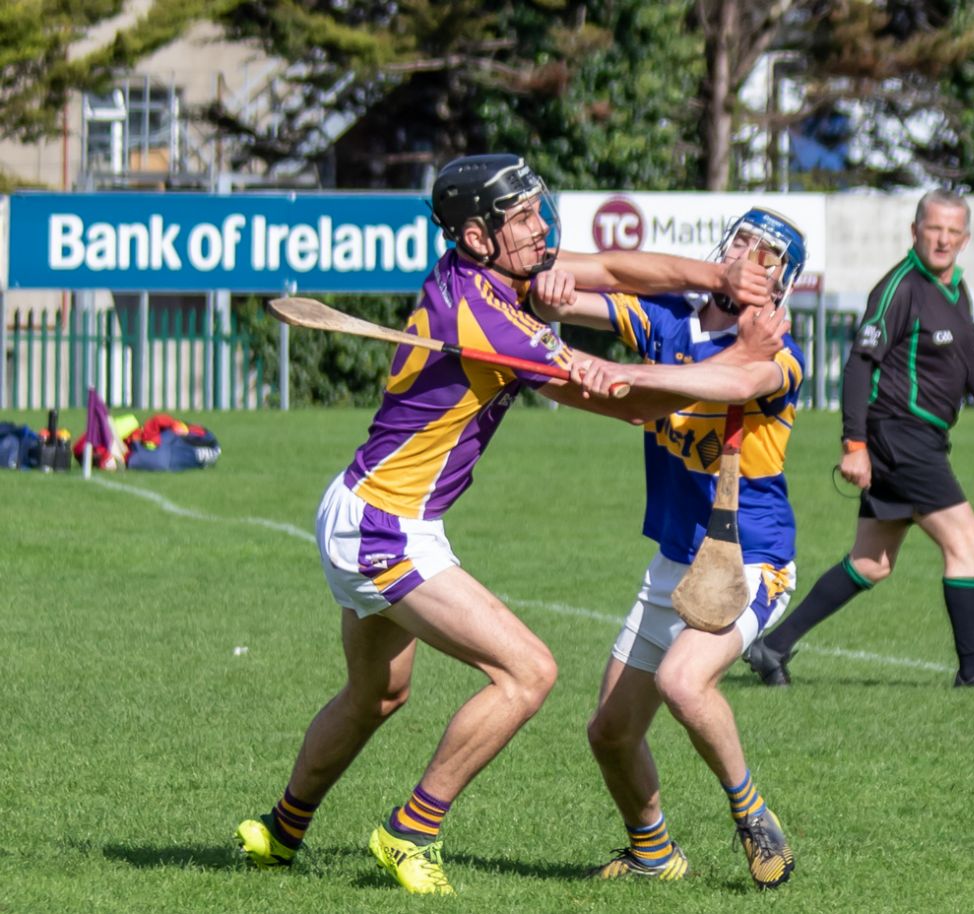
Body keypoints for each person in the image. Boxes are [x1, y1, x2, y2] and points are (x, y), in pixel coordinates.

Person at [233, 154, 781, 895]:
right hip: (384, 527)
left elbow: (616, 270)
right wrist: (717, 364)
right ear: (475, 235)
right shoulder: (486, 318)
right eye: (521, 218)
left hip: (373, 509)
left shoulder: (494, 274)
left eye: (536, 209)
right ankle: (410, 831)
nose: (540, 227)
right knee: (528, 671)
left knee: (377, 695)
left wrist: (716, 281)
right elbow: (627, 406)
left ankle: (278, 832)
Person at [535, 208, 808, 889]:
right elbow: (578, 285)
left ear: (782, 286)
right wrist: (556, 295)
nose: (750, 257)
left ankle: (752, 814)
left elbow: (733, 384)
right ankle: (653, 852)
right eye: (742, 242)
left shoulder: (778, 359)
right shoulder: (666, 323)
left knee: (684, 682)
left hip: (750, 560)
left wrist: (621, 376)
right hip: (677, 560)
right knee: (610, 734)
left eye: (768, 255)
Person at [746, 189, 974, 690]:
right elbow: (861, 365)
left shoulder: (955, 292)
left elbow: (972, 362)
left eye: (952, 231)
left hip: (915, 438)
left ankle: (770, 646)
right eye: (933, 229)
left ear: (964, 239)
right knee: (966, 543)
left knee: (872, 562)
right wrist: (853, 444)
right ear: (915, 231)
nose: (942, 239)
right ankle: (972, 672)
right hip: (900, 436)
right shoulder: (899, 288)